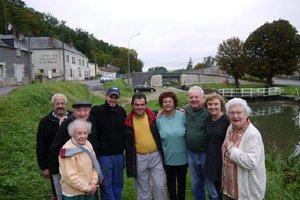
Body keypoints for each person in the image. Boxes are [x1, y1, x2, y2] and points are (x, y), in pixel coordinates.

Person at [49, 101, 98, 200]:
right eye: (79, 110)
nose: (82, 113)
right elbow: (55, 148)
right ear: (74, 112)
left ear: (89, 111)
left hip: (88, 177)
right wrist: (55, 172)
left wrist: (93, 182)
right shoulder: (67, 124)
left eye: (85, 110)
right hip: (71, 178)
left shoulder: (92, 121)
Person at [124, 93, 168, 200]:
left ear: (146, 105)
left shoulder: (154, 116)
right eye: (137, 105)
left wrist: (182, 110)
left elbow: (170, 113)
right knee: (143, 190)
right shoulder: (127, 121)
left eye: (142, 104)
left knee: (160, 186)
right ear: (132, 105)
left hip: (156, 156)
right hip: (139, 158)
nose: (140, 107)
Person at [222, 98, 266, 200]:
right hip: (230, 188)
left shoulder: (252, 134)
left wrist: (230, 148)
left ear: (246, 114)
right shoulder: (231, 128)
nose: (235, 116)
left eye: (239, 112)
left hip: (246, 192)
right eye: (231, 113)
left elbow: (251, 162)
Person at [90, 87, 127, 200]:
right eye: (111, 97)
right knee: (106, 184)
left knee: (118, 183)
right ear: (106, 96)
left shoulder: (121, 111)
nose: (113, 100)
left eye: (116, 97)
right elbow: (83, 115)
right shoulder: (97, 111)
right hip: (104, 156)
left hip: (119, 155)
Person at [36, 93, 71, 200]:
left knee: (72, 190)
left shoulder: (73, 118)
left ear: (66, 104)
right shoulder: (45, 122)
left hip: (73, 163)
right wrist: (44, 167)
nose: (60, 106)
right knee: (58, 191)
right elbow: (41, 146)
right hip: (54, 164)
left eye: (62, 103)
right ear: (53, 105)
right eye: (57, 103)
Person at [59, 119, 104, 200]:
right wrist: (88, 188)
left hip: (90, 190)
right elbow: (70, 177)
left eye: (85, 133)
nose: (83, 136)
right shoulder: (67, 151)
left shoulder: (88, 144)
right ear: (72, 134)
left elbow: (95, 165)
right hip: (74, 194)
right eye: (79, 133)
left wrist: (93, 183)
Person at [156, 91, 187, 200]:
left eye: (170, 101)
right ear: (161, 104)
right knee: (171, 184)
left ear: (174, 103)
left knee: (182, 183)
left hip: (183, 158)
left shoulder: (182, 115)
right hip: (168, 158)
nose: (167, 104)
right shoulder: (158, 119)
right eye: (165, 102)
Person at [184, 86, 210, 200]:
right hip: (191, 153)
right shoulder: (186, 110)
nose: (194, 99)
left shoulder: (209, 110)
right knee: (196, 183)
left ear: (203, 98)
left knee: (211, 184)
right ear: (187, 98)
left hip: (207, 154)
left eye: (197, 97)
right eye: (191, 97)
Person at [204, 93, 230, 200]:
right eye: (210, 104)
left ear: (221, 105)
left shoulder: (227, 120)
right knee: (212, 192)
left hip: (223, 160)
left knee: (220, 192)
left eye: (216, 104)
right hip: (210, 159)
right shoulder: (207, 119)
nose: (213, 107)